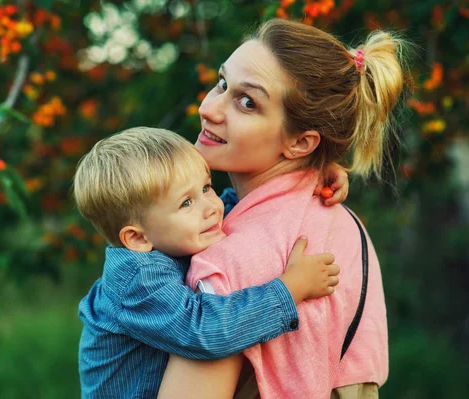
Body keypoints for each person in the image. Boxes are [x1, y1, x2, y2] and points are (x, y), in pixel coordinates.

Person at [158, 18, 407, 399]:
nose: (209, 108)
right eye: (222, 83)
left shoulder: (232, 263)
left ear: (301, 143)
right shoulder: (346, 225)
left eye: (247, 102)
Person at [74, 127, 347, 398]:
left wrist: (307, 175)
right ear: (136, 238)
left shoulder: (177, 235)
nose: (211, 207)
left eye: (206, 188)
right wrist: (290, 289)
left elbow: (240, 206)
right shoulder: (138, 280)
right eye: (186, 203)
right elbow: (205, 330)